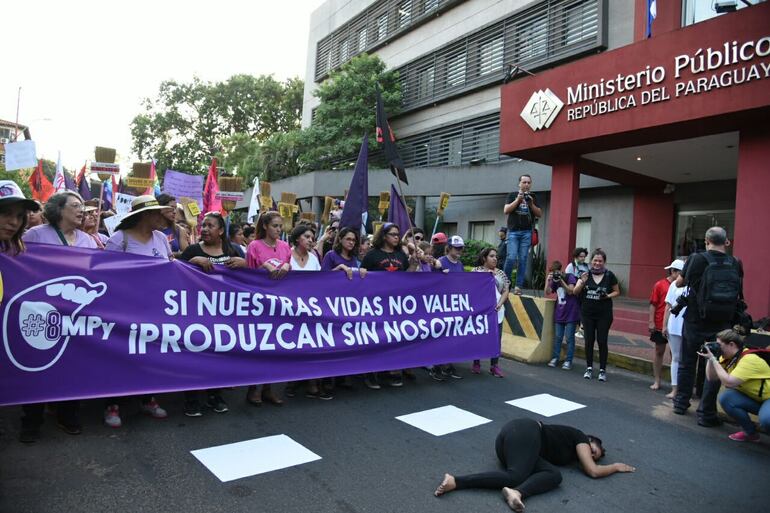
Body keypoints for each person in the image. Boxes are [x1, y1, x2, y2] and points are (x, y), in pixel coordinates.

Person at [0, 181, 79, 443]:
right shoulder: (33, 238)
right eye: (5, 214)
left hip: (59, 320)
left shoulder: (13, 249)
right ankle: (30, 421)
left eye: (18, 216)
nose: (12, 222)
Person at [434, 418, 635, 512]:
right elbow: (593, 471)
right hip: (524, 431)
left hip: (516, 448)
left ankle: (517, 493)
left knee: (554, 475)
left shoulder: (565, 453)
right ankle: (456, 481)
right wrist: (615, 467)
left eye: (595, 456)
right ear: (589, 440)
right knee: (516, 474)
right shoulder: (579, 437)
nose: (590, 456)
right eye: (593, 451)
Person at [103, 195, 174, 426]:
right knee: (120, 356)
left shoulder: (161, 238)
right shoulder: (119, 239)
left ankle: (147, 398)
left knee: (149, 355)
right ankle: (112, 405)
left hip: (155, 309)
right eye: (157, 213)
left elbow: (172, 267)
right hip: (124, 309)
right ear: (144, 215)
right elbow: (105, 273)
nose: (161, 216)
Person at [672, 227, 744, 426]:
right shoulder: (735, 262)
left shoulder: (697, 259)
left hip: (695, 319)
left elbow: (679, 283)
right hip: (722, 323)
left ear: (706, 241)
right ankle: (706, 413)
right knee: (713, 365)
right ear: (726, 242)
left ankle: (681, 403)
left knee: (687, 362)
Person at [178, 211, 248, 416]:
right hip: (195, 313)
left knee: (218, 355)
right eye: (203, 225)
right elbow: (174, 275)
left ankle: (214, 394)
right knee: (193, 355)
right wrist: (191, 262)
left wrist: (245, 264)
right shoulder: (192, 250)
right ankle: (191, 398)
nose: (205, 229)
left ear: (220, 231)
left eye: (210, 226)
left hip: (223, 314)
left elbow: (248, 279)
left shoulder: (233, 250)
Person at [362, 222, 419, 388]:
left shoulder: (401, 256)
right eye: (393, 234)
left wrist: (414, 263)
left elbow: (407, 277)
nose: (396, 237)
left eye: (397, 234)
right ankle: (370, 372)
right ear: (384, 236)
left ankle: (392, 370)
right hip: (376, 304)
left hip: (396, 305)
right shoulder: (372, 255)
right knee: (374, 338)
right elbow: (362, 278)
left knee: (394, 337)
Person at [245, 211, 292, 406]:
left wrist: (289, 266)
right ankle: (252, 388)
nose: (278, 230)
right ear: (265, 226)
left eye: (280, 226)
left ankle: (268, 388)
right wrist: (263, 266)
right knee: (258, 348)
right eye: (275, 226)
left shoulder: (285, 246)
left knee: (275, 348)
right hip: (259, 304)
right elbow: (246, 276)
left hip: (279, 304)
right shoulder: (254, 246)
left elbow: (290, 270)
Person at [700, 326, 770, 442]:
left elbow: (729, 382)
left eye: (719, 345)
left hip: (768, 398)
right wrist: (712, 357)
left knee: (766, 419)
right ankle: (750, 433)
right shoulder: (728, 357)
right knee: (726, 398)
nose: (718, 349)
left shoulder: (749, 359)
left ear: (731, 344)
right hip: (757, 398)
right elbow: (711, 378)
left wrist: (713, 359)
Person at [572, 249, 620, 382]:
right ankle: (589, 368)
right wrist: (581, 282)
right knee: (589, 341)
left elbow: (617, 291)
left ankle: (602, 370)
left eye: (600, 261)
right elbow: (575, 292)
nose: (597, 263)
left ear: (604, 262)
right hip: (587, 314)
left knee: (602, 341)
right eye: (595, 260)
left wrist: (607, 296)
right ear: (591, 261)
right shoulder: (585, 275)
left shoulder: (609, 275)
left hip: (604, 314)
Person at [471, 247, 509, 377]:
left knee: (496, 339)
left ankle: (494, 366)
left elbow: (505, 290)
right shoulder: (476, 271)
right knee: (479, 336)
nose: (495, 258)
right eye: (492, 256)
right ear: (484, 258)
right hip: (480, 311)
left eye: (496, 256)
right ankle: (476, 363)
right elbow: (472, 288)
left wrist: (500, 304)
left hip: (497, 311)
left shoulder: (501, 274)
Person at [503, 174, 542, 294]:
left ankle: (518, 286)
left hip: (527, 232)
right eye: (524, 182)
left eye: (528, 183)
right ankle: (505, 284)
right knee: (511, 258)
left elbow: (539, 213)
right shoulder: (512, 195)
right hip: (513, 231)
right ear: (519, 184)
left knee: (523, 259)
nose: (526, 185)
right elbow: (506, 210)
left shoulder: (533, 197)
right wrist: (518, 200)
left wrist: (531, 204)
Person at [22, 191, 97, 249]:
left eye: (81, 207)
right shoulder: (36, 234)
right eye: (75, 205)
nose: (81, 210)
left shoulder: (88, 240)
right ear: (59, 208)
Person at [648, 261, 680, 391]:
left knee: (675, 355)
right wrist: (651, 321)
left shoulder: (682, 286)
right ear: (673, 272)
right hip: (660, 323)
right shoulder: (660, 285)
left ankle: (675, 383)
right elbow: (653, 304)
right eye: (680, 273)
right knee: (659, 351)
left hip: (675, 325)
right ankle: (657, 380)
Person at [545, 261, 580, 370]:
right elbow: (547, 292)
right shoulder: (554, 280)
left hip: (571, 312)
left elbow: (571, 291)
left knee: (569, 338)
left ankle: (568, 360)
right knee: (558, 337)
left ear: (561, 270)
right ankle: (555, 358)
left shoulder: (570, 277)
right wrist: (548, 280)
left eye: (556, 272)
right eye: (553, 272)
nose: (555, 274)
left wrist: (561, 281)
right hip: (559, 312)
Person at [662, 260, 687, 399]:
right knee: (676, 358)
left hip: (688, 325)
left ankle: (685, 389)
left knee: (687, 359)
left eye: (673, 270)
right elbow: (668, 306)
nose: (671, 273)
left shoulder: (692, 284)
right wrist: (664, 325)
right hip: (674, 325)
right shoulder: (673, 285)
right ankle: (675, 389)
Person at [565, 247, 589, 340]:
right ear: (576, 257)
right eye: (580, 256)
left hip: (584, 292)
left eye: (584, 256)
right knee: (575, 311)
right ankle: (575, 329)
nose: (583, 258)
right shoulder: (571, 266)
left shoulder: (587, 266)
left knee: (583, 310)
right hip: (574, 292)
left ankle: (581, 329)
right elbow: (568, 279)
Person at [156, 193, 189, 258]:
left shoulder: (179, 230)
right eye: (171, 207)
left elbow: (187, 255)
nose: (174, 211)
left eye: (175, 208)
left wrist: (171, 254)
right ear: (160, 208)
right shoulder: (150, 229)